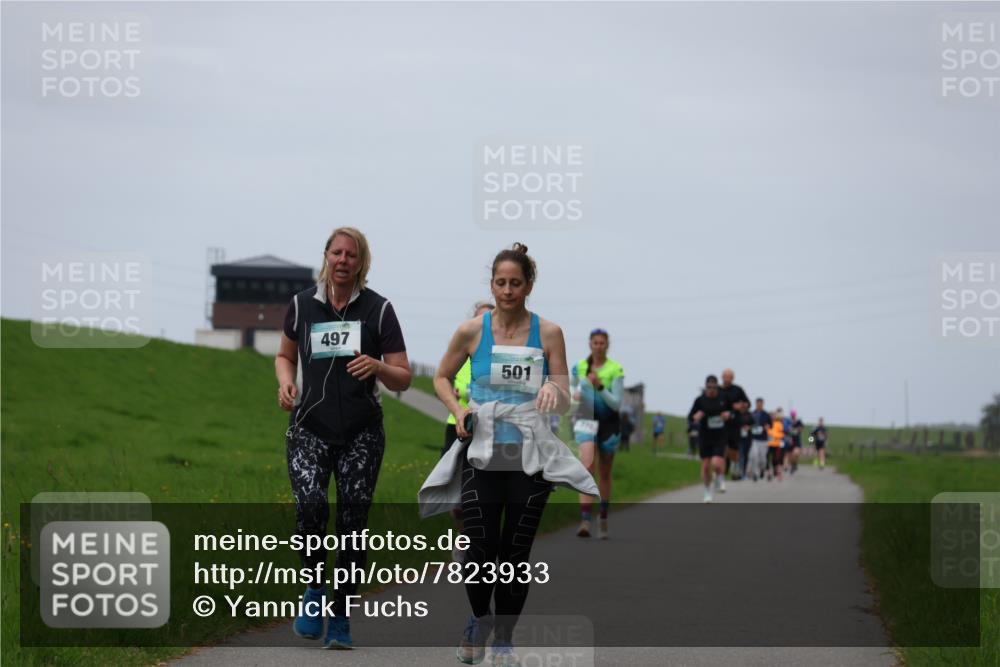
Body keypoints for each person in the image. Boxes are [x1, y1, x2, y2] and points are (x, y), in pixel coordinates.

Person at [421, 243, 597, 667]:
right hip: (482, 453)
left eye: (515, 283)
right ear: (491, 284)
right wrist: (458, 409)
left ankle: (503, 641)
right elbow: (441, 377)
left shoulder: (549, 333)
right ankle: (479, 620)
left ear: (529, 285)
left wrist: (551, 390)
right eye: (500, 282)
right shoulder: (471, 331)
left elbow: (563, 394)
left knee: (515, 555)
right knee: (480, 549)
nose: (507, 290)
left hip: (529, 457)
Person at [275, 227, 412, 650]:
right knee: (311, 508)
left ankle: (340, 616)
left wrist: (378, 366)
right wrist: (286, 382)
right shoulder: (302, 304)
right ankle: (315, 588)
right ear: (326, 256)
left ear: (361, 262)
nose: (343, 260)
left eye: (351, 255)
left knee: (353, 526)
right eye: (336, 253)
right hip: (309, 428)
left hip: (361, 433)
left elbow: (403, 377)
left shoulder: (379, 309)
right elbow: (284, 354)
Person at [441, 302, 495, 561]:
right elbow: (442, 380)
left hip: (489, 429)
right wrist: (451, 394)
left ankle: (479, 544)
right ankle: (463, 535)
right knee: (455, 491)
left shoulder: (500, 357)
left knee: (482, 492)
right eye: (478, 320)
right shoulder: (462, 352)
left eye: (489, 320)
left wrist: (467, 392)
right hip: (457, 426)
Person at [572, 328, 626, 539]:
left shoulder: (615, 369)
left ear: (607, 345)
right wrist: (575, 394)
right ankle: (585, 519)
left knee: (604, 471)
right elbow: (570, 389)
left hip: (608, 422)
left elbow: (616, 404)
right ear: (590, 344)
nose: (599, 346)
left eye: (602, 343)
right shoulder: (579, 366)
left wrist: (600, 386)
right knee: (587, 467)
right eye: (595, 342)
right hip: (586, 418)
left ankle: (602, 516)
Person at [688, 375, 732, 502]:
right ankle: (707, 491)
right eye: (709, 387)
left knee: (717, 462)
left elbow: (733, 413)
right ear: (705, 387)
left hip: (720, 435)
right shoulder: (700, 400)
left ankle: (720, 477)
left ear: (717, 387)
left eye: (714, 387)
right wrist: (695, 418)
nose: (711, 390)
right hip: (705, 436)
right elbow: (690, 417)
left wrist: (728, 415)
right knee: (706, 466)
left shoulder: (724, 398)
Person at [720, 369, 750, 480]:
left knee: (733, 450)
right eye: (725, 376)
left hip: (734, 424)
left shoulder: (738, 390)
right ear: (722, 377)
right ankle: (720, 474)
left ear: (733, 378)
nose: (727, 379)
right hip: (720, 424)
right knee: (722, 448)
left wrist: (741, 406)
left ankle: (735, 466)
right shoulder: (718, 390)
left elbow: (748, 404)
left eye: (729, 377)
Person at [748, 398, 772, 481]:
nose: (759, 405)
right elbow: (748, 424)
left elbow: (770, 425)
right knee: (754, 456)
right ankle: (755, 474)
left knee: (763, 459)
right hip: (754, 439)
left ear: (763, 404)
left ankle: (762, 469)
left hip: (763, 440)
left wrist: (768, 426)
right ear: (756, 404)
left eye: (760, 404)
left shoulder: (766, 415)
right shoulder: (752, 414)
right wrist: (749, 427)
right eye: (758, 403)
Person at [733, 400, 755, 480]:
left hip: (747, 438)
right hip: (738, 438)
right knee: (740, 455)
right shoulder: (736, 414)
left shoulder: (750, 415)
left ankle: (743, 472)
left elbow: (755, 424)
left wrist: (749, 427)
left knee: (745, 455)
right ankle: (739, 472)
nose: (743, 406)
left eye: (745, 405)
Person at [768, 408, 786, 481]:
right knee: (771, 460)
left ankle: (779, 474)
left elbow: (782, 434)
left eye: (773, 415)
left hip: (777, 445)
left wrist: (774, 435)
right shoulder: (769, 424)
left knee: (778, 460)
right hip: (770, 444)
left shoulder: (779, 424)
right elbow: (767, 432)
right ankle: (770, 473)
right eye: (771, 415)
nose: (772, 417)